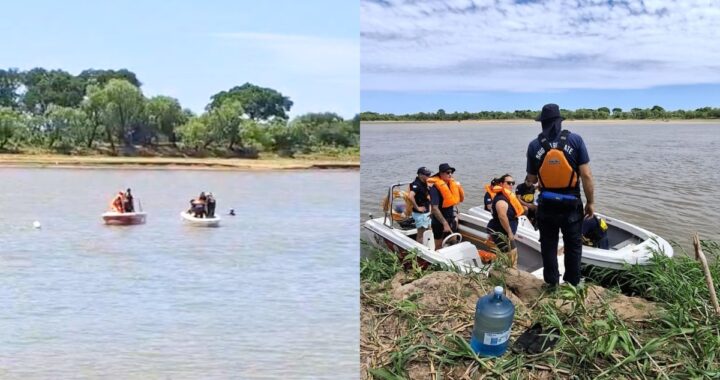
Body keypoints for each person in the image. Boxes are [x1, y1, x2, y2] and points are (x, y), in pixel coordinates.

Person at [526, 103, 594, 287]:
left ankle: (551, 284)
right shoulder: (575, 140)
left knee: (548, 245)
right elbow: (586, 175)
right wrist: (591, 202)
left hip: (547, 206)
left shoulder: (534, 146)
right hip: (571, 205)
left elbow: (531, 179)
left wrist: (532, 181)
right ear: (559, 122)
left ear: (542, 123)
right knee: (573, 246)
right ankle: (573, 283)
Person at [427, 163, 465, 250]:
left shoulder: (451, 185)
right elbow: (434, 208)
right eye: (448, 172)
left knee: (454, 241)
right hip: (439, 221)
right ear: (441, 174)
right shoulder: (435, 188)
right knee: (439, 245)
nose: (450, 174)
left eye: (451, 172)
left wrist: (456, 212)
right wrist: (445, 224)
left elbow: (452, 201)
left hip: (450, 217)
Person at [486, 174, 525, 253]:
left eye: (513, 183)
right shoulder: (501, 199)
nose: (511, 185)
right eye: (508, 183)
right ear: (501, 184)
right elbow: (502, 217)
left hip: (505, 231)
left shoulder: (507, 196)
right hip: (502, 232)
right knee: (511, 254)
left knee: (507, 254)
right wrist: (510, 233)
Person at [408, 167, 432, 243]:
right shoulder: (416, 184)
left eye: (429, 174)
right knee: (421, 234)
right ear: (420, 175)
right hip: (420, 214)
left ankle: (429, 246)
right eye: (427, 175)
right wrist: (417, 208)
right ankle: (419, 251)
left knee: (429, 230)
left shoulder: (424, 183)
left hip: (427, 213)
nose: (429, 176)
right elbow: (410, 196)